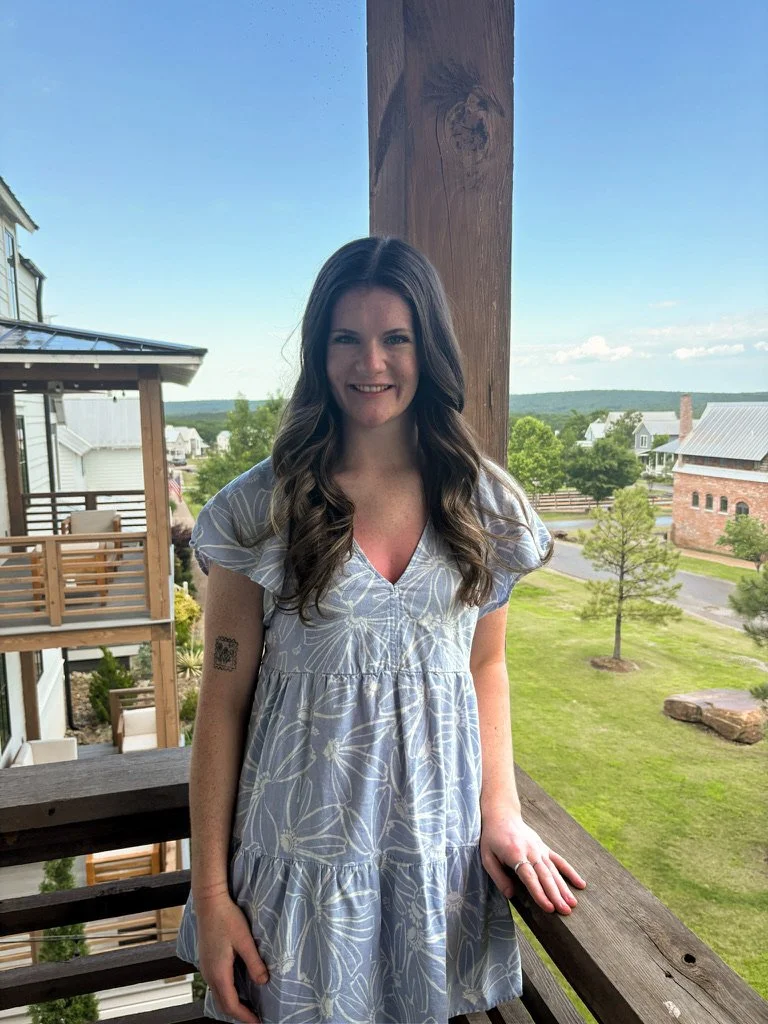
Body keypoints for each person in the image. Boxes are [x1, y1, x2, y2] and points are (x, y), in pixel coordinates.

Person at [176, 236, 586, 1024]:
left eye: (396, 337)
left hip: (431, 871)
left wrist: (500, 812)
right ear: (318, 351)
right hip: (297, 874)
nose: (372, 362)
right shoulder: (260, 510)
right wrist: (213, 893)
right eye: (346, 338)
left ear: (426, 348)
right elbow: (221, 703)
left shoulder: (485, 504)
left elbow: (486, 667)